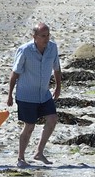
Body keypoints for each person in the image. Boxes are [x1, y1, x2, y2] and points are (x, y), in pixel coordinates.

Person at [7, 21, 62, 167]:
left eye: (48, 35)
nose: (46, 39)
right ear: (34, 36)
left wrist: (58, 87)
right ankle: (21, 158)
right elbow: (15, 73)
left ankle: (39, 152)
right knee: (29, 126)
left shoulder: (52, 48)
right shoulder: (24, 50)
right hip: (26, 95)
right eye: (43, 36)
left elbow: (57, 68)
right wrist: (10, 95)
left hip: (44, 94)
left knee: (52, 119)